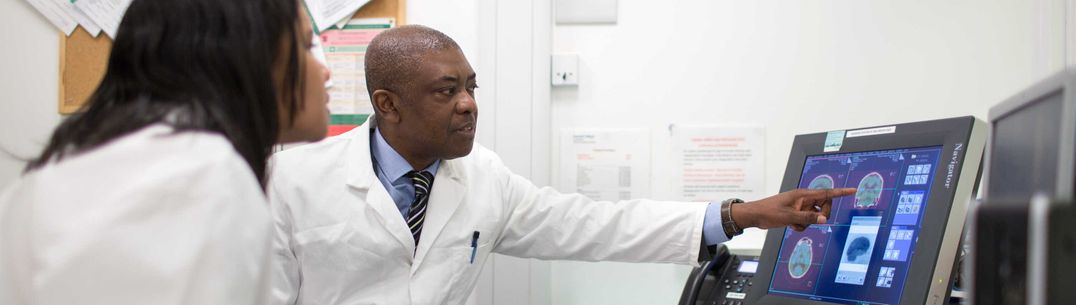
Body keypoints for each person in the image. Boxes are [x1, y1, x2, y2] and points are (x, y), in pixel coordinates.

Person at [267, 25, 855, 305]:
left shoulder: (483, 178)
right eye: (447, 92)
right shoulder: (291, 183)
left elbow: (594, 224)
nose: (470, 104)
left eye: (471, 86)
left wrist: (742, 213)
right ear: (387, 106)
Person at [0, 0, 330, 304]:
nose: (324, 71)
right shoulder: (201, 177)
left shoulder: (62, 169)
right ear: (251, 57)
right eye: (304, 45)